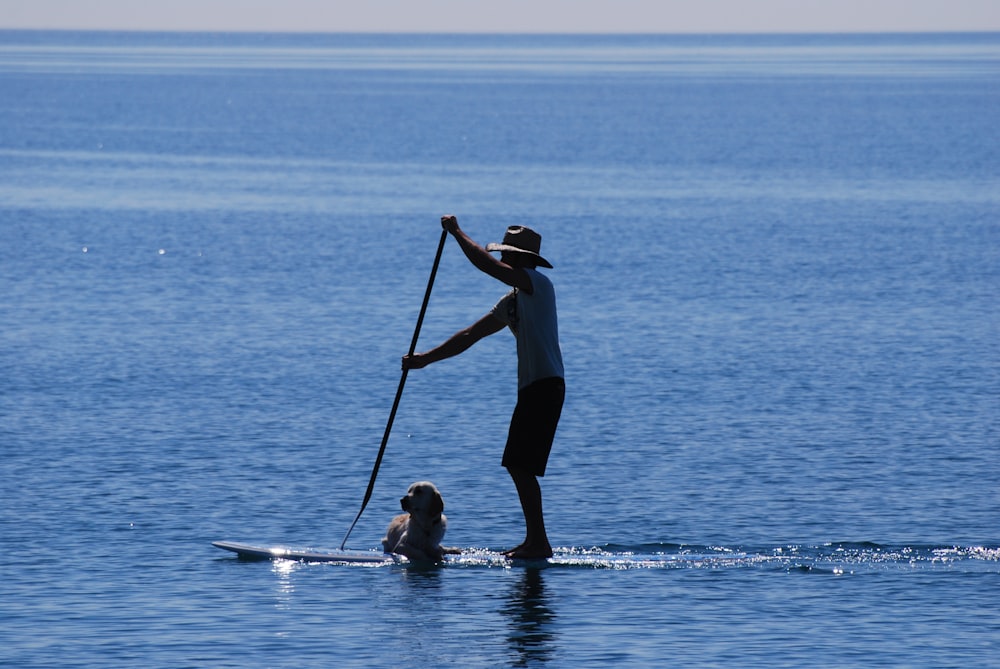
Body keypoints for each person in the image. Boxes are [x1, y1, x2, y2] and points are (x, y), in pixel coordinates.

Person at [402, 215, 565, 559]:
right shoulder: (513, 301)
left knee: (520, 465)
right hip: (533, 388)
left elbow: (485, 265)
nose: (504, 260)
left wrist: (456, 232)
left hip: (546, 386)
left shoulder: (538, 284)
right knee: (517, 464)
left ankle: (539, 542)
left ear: (523, 260)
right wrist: (424, 359)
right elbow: (468, 336)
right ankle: (535, 540)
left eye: (509, 255)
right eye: (503, 254)